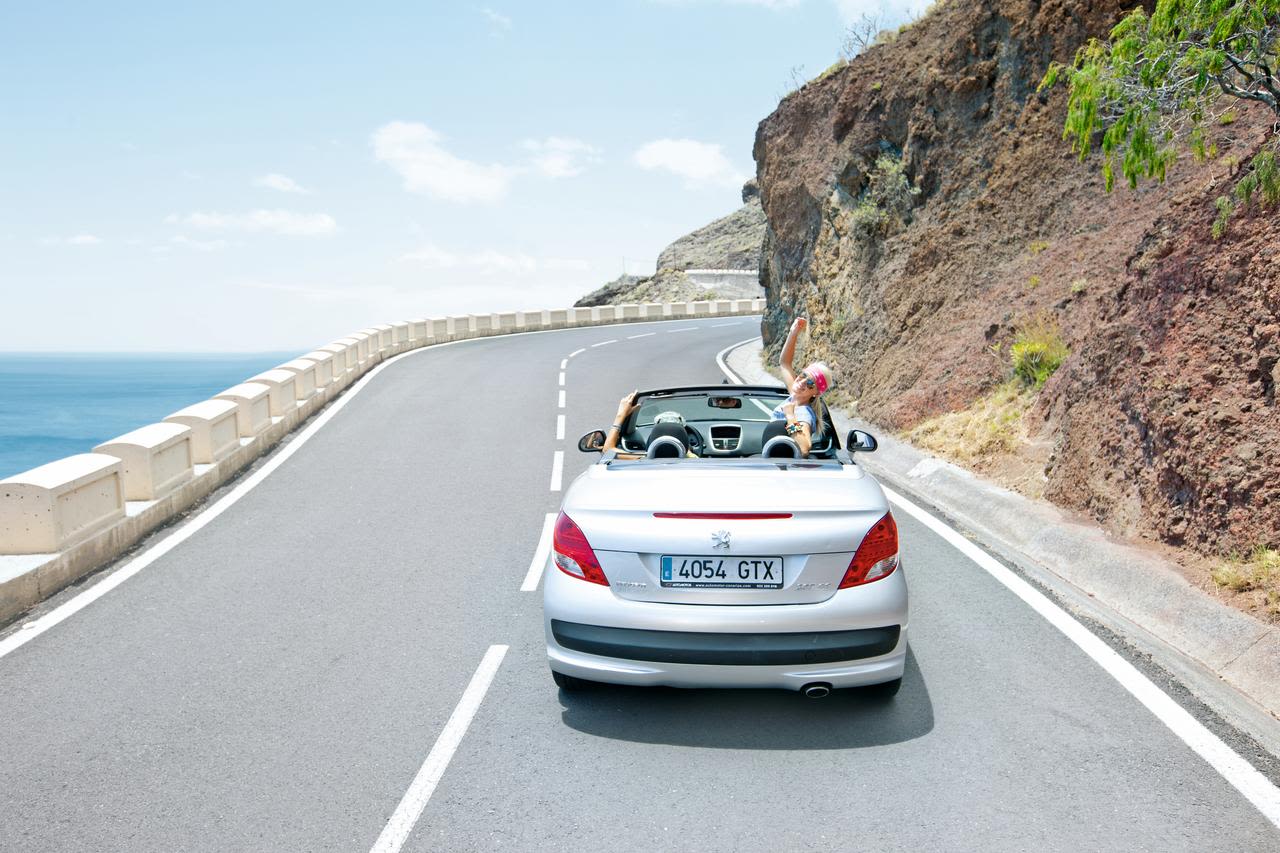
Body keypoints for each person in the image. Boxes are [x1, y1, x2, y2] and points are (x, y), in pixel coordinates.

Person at [771, 316, 834, 457]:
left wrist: (790, 416)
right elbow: (785, 363)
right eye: (803, 375)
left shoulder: (803, 412)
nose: (802, 382)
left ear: (816, 393)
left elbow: (804, 449)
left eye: (810, 383)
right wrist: (794, 332)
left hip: (784, 465)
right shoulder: (796, 397)